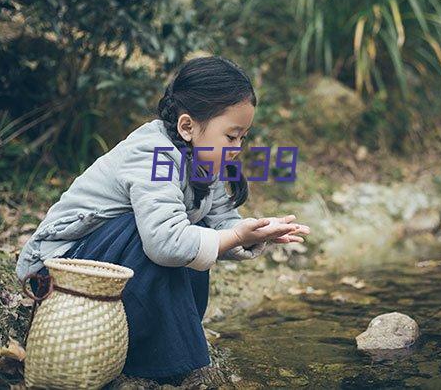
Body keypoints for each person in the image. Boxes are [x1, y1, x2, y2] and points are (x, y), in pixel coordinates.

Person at [16, 55, 311, 386]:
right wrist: (231, 236)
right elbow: (164, 244)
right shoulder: (151, 152)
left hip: (110, 263)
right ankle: (179, 365)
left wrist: (253, 233)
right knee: (165, 238)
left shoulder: (202, 157)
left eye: (243, 137)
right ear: (187, 126)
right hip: (58, 271)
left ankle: (160, 358)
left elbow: (221, 224)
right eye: (231, 136)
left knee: (190, 238)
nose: (238, 148)